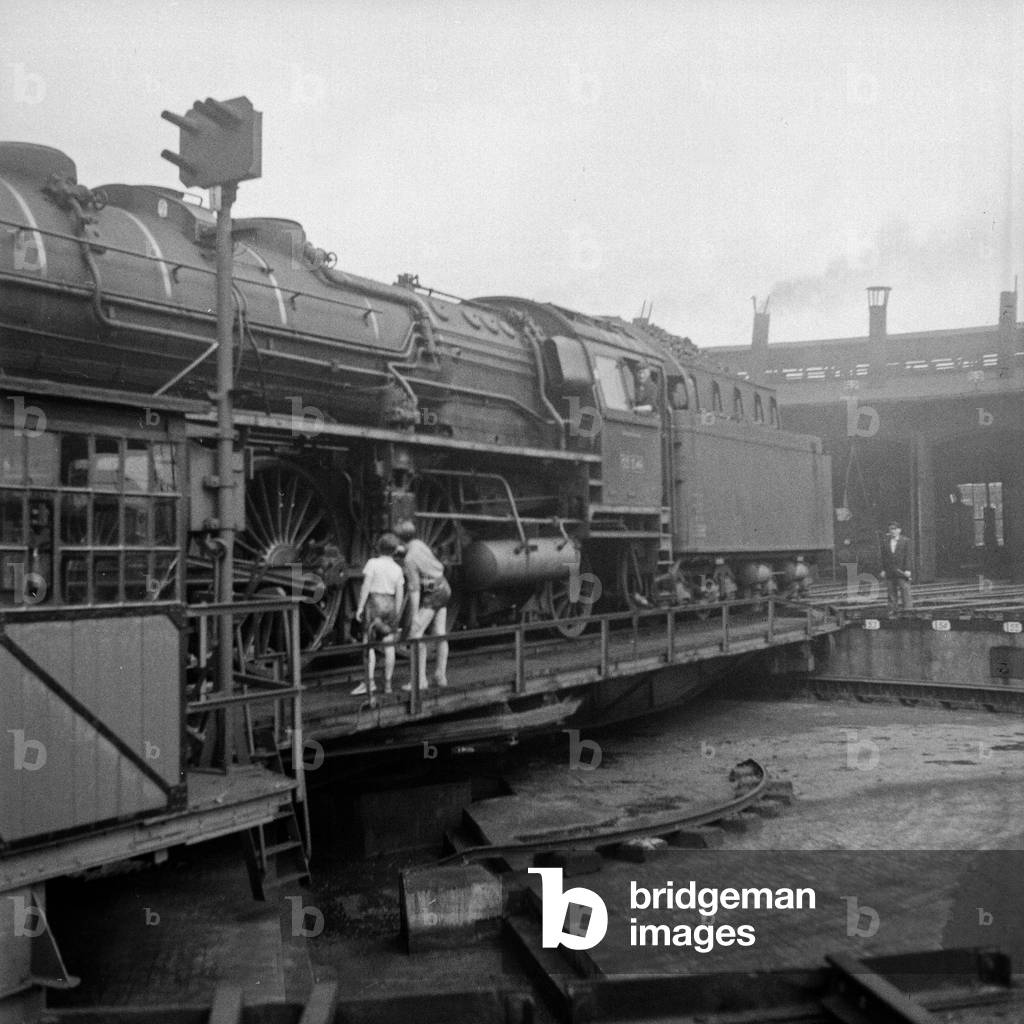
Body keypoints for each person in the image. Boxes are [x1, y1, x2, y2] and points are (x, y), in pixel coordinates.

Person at [395, 519, 451, 690]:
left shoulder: (409, 560)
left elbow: (414, 590)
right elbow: (411, 549)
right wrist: (400, 550)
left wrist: (414, 617)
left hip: (431, 593)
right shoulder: (419, 544)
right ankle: (440, 676)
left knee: (415, 633)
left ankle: (420, 681)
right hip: (444, 587)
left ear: (399, 538)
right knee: (440, 633)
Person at [351, 533, 404, 699]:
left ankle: (370, 682)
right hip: (390, 605)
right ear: (395, 551)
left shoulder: (372, 563)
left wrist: (360, 607)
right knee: (389, 647)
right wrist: (397, 614)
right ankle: (388, 684)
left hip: (374, 604)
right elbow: (400, 594)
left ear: (379, 547)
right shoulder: (397, 569)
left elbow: (366, 586)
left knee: (369, 646)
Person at [880, 521, 913, 615]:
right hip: (890, 571)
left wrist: (908, 570)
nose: (893, 531)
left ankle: (908, 611)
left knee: (905, 591)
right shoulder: (885, 542)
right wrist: (883, 569)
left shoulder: (905, 541)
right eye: (891, 529)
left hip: (901, 571)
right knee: (891, 592)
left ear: (899, 530)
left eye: (895, 529)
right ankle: (892, 611)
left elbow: (908, 556)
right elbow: (883, 557)